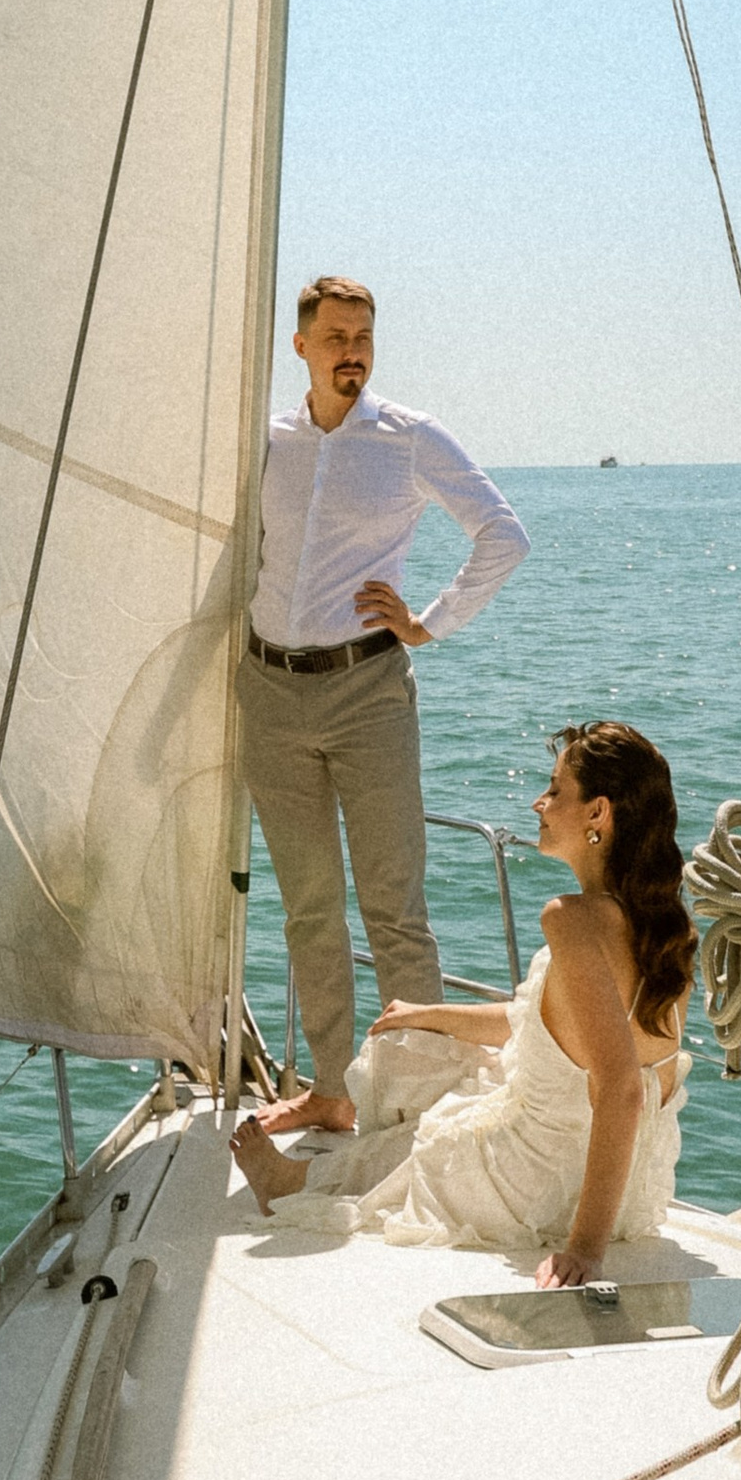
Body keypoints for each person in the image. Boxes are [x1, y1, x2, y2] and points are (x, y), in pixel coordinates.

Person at [232, 721, 695, 1286]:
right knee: (425, 1052)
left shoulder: (570, 920)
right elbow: (551, 1031)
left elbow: (621, 1087)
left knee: (441, 1128)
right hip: (627, 1192)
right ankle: (323, 1166)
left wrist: (585, 1250)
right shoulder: (665, 927)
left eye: (554, 790)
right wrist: (427, 1015)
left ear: (598, 813)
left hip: (542, 1185)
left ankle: (290, 1184)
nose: (538, 803)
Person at [239, 275, 529, 1139]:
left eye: (363, 336)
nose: (352, 352)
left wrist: (430, 624)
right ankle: (333, 1087)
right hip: (267, 690)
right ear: (301, 346)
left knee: (394, 907)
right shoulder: (265, 441)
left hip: (368, 690)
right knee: (308, 907)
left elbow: (503, 534)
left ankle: (413, 1100)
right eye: (335, 337)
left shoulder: (406, 438)